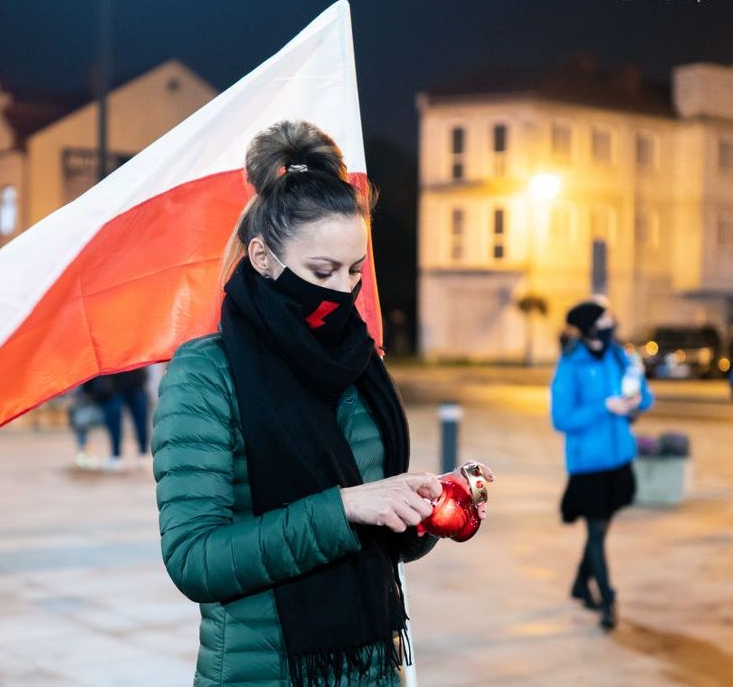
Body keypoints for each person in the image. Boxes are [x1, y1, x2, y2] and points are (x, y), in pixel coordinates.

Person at [152, 121, 493, 687]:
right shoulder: (206, 372)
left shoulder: (360, 360)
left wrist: (430, 508)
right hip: (264, 675)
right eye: (321, 271)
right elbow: (195, 560)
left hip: (372, 669)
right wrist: (346, 507)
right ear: (263, 258)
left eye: (354, 271)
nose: (341, 291)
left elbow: (381, 539)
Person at [551, 299, 653, 630]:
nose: (612, 323)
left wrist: (637, 401)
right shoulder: (570, 365)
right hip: (588, 465)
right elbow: (561, 418)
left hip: (619, 459)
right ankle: (608, 598)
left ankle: (581, 584)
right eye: (605, 319)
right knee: (596, 531)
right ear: (590, 327)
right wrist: (605, 407)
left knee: (600, 529)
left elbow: (645, 396)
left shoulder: (618, 355)